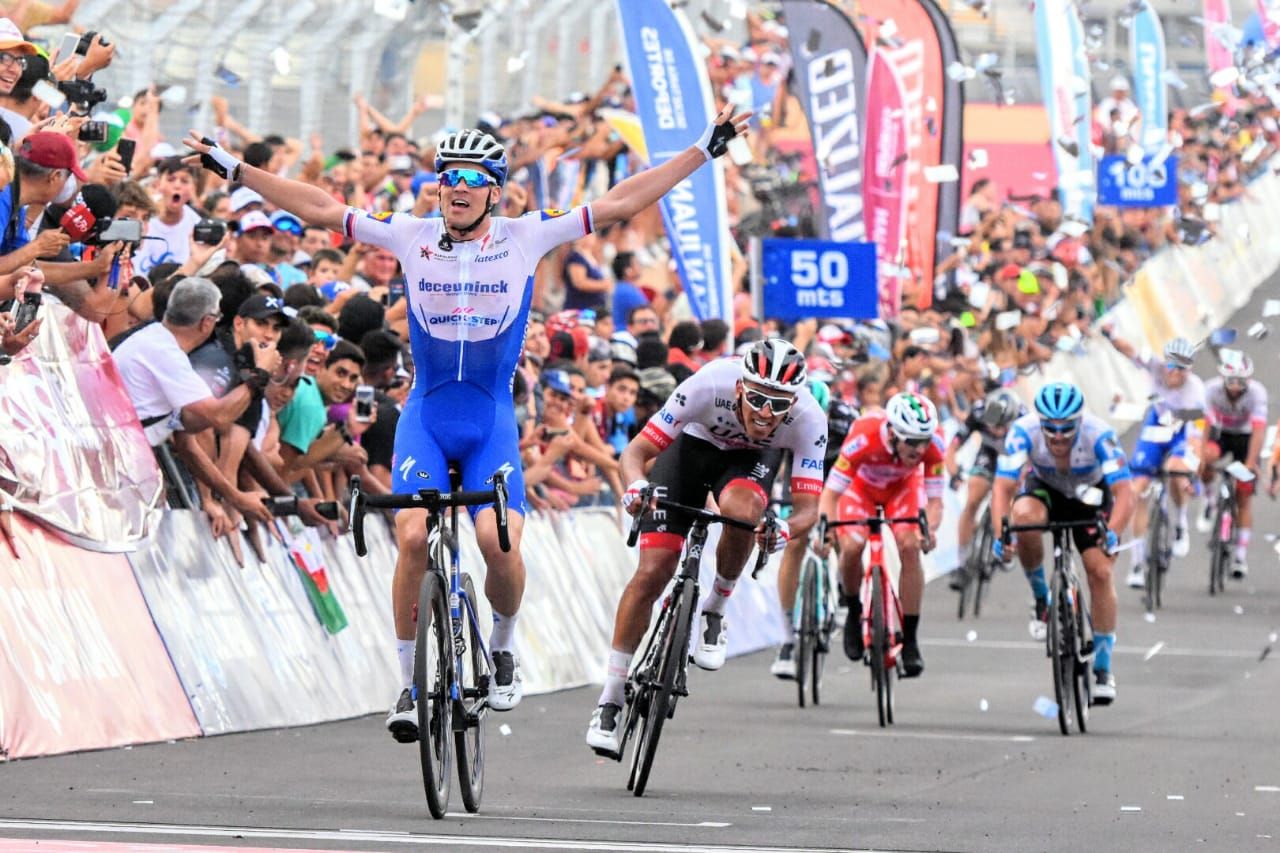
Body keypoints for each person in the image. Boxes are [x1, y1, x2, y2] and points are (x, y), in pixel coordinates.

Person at [185, 104, 753, 738]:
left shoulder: (526, 236)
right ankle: (406, 687)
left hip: (489, 421)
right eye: (447, 174)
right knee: (408, 539)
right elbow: (319, 207)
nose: (456, 185)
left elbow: (620, 204)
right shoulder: (409, 234)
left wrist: (703, 150)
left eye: (471, 175)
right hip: (426, 415)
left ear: (494, 189)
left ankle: (504, 646)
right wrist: (235, 168)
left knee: (495, 542)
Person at [586, 339, 825, 756]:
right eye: (757, 399)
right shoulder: (708, 382)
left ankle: (715, 607)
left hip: (748, 465)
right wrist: (636, 486)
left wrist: (783, 528)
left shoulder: (809, 418)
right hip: (689, 453)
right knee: (653, 570)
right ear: (739, 389)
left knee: (742, 510)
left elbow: (809, 509)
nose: (766, 413)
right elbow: (636, 451)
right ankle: (611, 697)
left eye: (778, 404)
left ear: (793, 402)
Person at [990, 382, 1134, 704]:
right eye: (1050, 429)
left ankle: (1103, 668)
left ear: (1079, 422)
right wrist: (1002, 534)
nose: (1057, 437)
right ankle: (1042, 598)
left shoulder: (1100, 436)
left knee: (1100, 572)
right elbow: (1002, 489)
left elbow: (1125, 493)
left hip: (1091, 495)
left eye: (1066, 429)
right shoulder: (1022, 432)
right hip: (1045, 489)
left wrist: (1113, 530)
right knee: (1024, 520)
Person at [814, 392, 944, 680]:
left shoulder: (933, 445)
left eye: (924, 440)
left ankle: (909, 639)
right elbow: (832, 494)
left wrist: (930, 529)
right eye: (911, 441)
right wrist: (826, 529)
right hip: (860, 489)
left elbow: (935, 502)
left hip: (902, 490)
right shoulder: (864, 435)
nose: (919, 449)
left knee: (909, 547)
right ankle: (853, 609)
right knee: (851, 546)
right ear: (893, 433)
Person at [1100, 333, 1205, 586]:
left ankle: (1180, 523)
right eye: (1172, 365)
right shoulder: (1155, 366)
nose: (1175, 373)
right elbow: (1130, 349)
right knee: (1137, 491)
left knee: (1175, 471)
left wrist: (1191, 472)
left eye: (1182, 368)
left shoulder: (1196, 392)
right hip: (1156, 426)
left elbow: (1195, 438)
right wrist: (1112, 335)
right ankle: (1136, 562)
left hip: (1181, 431)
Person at [945, 387, 1024, 593]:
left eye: (1001, 427)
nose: (996, 431)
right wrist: (954, 474)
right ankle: (961, 561)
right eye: (992, 426)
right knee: (972, 501)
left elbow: (1033, 459)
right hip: (988, 455)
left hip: (1014, 457)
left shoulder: (1024, 420)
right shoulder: (979, 413)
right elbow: (952, 449)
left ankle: (1006, 541)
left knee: (1012, 498)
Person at [1198, 354, 1267, 579]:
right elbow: (1206, 426)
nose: (1236, 387)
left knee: (1244, 495)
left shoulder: (1257, 393)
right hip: (1221, 433)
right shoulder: (1210, 390)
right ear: (1222, 378)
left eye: (1241, 382)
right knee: (1206, 458)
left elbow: (1258, 431)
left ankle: (1240, 556)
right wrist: (1201, 458)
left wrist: (1249, 464)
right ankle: (1209, 500)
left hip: (1246, 438)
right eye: (1231, 381)